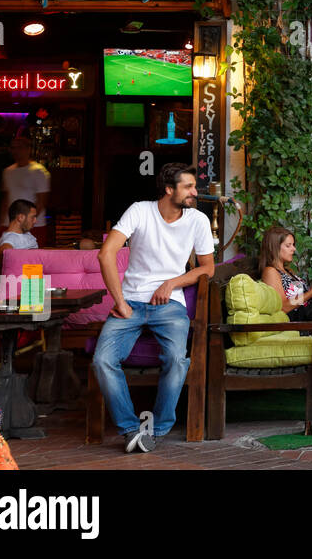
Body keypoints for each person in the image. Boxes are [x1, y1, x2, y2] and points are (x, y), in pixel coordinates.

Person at [92, 163, 215, 453]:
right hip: (131, 303)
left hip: (170, 304)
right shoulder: (140, 210)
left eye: (193, 187)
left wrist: (171, 283)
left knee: (175, 359)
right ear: (169, 189)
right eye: (188, 187)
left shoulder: (197, 220)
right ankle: (130, 429)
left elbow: (208, 268)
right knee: (102, 360)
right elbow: (106, 254)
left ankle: (156, 430)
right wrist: (120, 301)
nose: (194, 193)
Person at [0, 135, 50, 245]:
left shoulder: (39, 171)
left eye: (19, 147)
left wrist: (27, 223)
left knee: (32, 259)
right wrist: (1, 223)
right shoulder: (8, 171)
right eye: (13, 148)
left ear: (28, 149)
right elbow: (6, 199)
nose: (16, 151)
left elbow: (42, 201)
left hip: (33, 225)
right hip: (10, 223)